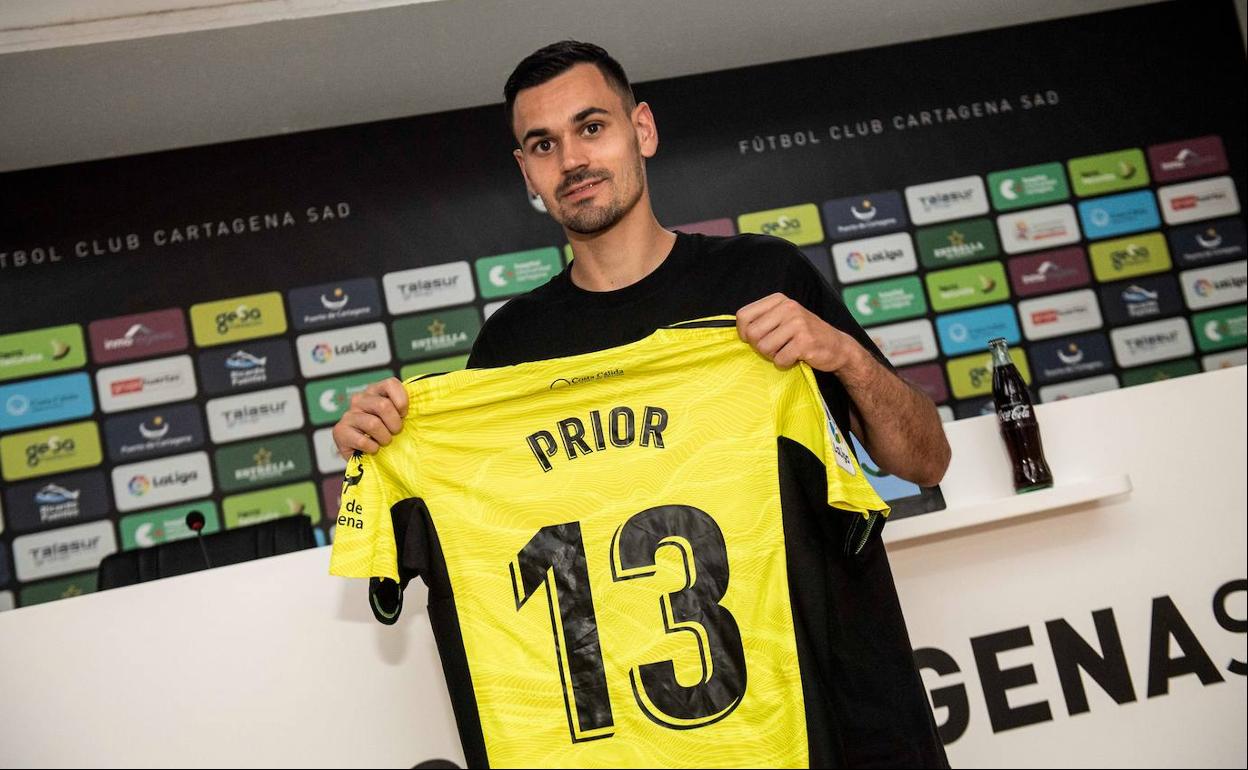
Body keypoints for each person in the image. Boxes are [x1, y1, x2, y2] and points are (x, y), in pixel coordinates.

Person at [332, 40, 952, 767]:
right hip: (654, 744)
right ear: (526, 171)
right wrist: (382, 450)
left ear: (642, 131)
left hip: (845, 721)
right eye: (543, 144)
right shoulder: (509, 349)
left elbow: (926, 460)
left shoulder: (764, 277)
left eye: (592, 127)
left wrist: (843, 357)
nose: (572, 160)